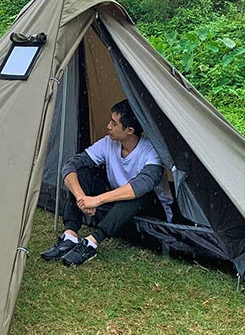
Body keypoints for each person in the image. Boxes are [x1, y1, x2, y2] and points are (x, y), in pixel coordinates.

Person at [41, 99, 165, 267]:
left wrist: (97, 200)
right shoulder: (108, 142)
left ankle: (91, 243)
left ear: (129, 130)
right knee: (82, 173)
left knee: (136, 194)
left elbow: (142, 185)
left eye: (114, 123)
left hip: (150, 206)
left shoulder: (151, 151)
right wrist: (82, 198)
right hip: (115, 196)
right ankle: (70, 235)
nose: (108, 126)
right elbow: (71, 165)